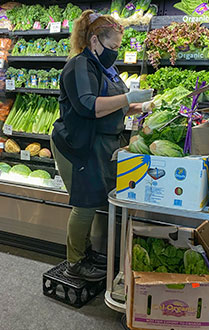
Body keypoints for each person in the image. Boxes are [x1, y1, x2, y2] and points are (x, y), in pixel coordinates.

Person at [50, 10, 153, 282]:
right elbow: (89, 106)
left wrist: (140, 106)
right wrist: (127, 99)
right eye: (113, 47)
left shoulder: (105, 67)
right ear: (94, 41)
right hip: (77, 143)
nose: (115, 53)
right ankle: (75, 262)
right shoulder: (79, 65)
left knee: (95, 199)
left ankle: (87, 253)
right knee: (84, 203)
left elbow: (115, 105)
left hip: (100, 142)